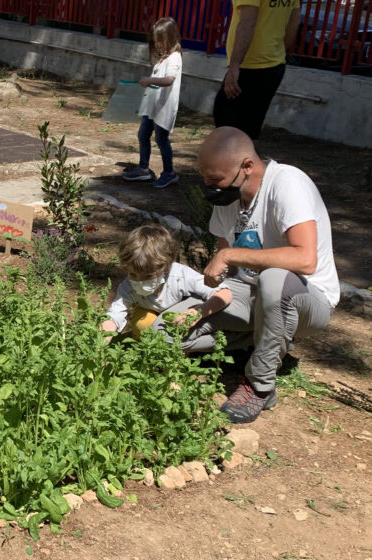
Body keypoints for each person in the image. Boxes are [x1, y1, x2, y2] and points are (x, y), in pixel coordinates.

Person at [199, 127, 339, 423]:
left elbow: (304, 259)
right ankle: (263, 342)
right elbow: (231, 275)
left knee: (274, 278)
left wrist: (227, 254)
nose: (210, 187)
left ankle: (259, 387)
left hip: (305, 299)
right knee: (170, 327)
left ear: (247, 166)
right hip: (251, 294)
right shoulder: (228, 201)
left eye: (216, 180)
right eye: (206, 179)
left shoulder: (287, 183)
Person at [100, 223, 234, 352]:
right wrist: (100, 343)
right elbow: (115, 314)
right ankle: (148, 351)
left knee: (171, 335)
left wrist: (199, 312)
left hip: (180, 319)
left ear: (166, 267)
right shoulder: (128, 286)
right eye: (133, 274)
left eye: (147, 276)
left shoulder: (181, 276)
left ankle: (180, 356)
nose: (139, 281)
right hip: (154, 316)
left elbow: (224, 293)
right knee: (142, 324)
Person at [213, 0, 301, 140]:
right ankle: (245, 159)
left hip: (250, 65)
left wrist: (234, 65)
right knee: (248, 129)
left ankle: (235, 160)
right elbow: (294, 20)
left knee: (227, 128)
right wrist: (278, 50)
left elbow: (248, 22)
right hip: (274, 64)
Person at [122, 17, 183, 189]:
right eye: (155, 41)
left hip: (163, 108)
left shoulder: (175, 58)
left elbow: (169, 79)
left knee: (161, 139)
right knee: (143, 135)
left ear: (170, 38)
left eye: (160, 41)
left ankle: (169, 173)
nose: (157, 45)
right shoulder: (164, 58)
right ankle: (143, 168)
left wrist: (150, 80)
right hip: (152, 107)